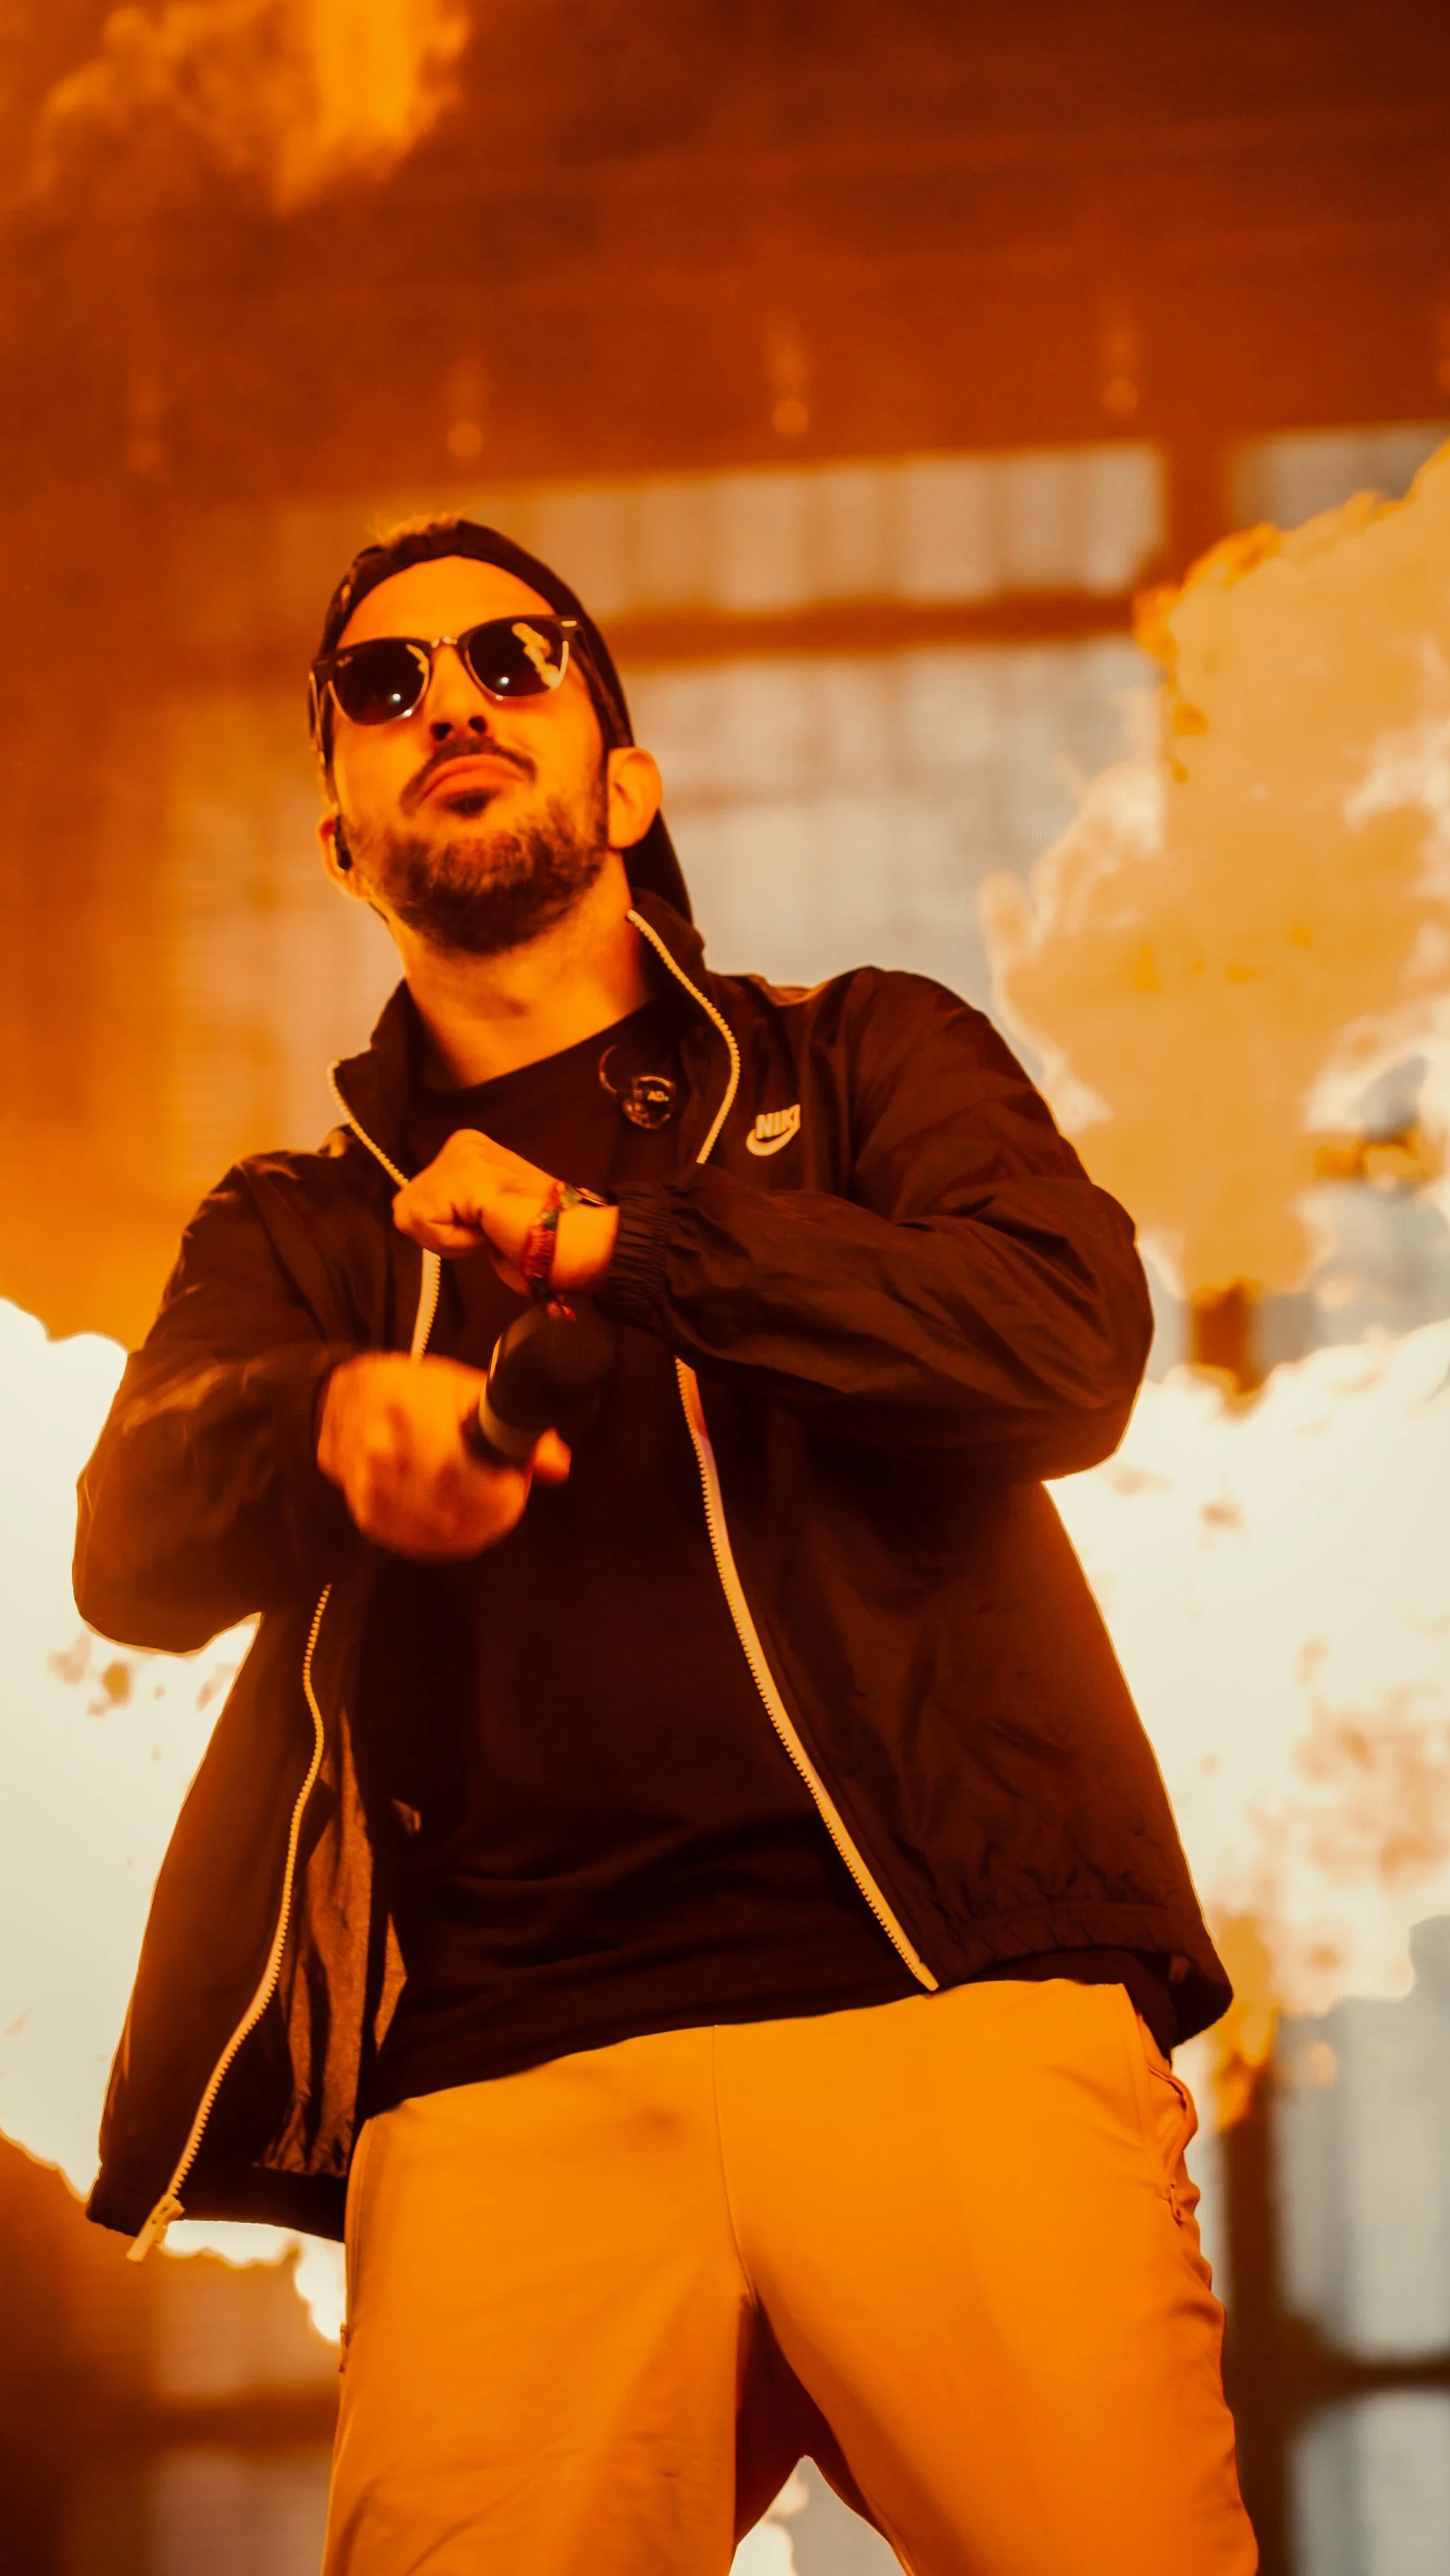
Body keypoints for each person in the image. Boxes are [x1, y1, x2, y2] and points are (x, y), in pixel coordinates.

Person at [75, 514, 1256, 2576]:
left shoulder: (868, 1058)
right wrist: (333, 1419)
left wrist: (625, 1248)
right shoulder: (298, 1231)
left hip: (944, 2018)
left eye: (512, 662)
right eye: (381, 685)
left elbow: (1063, 1344)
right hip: (502, 2089)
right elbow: (129, 1544)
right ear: (341, 834)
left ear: (622, 783)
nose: (446, 698)